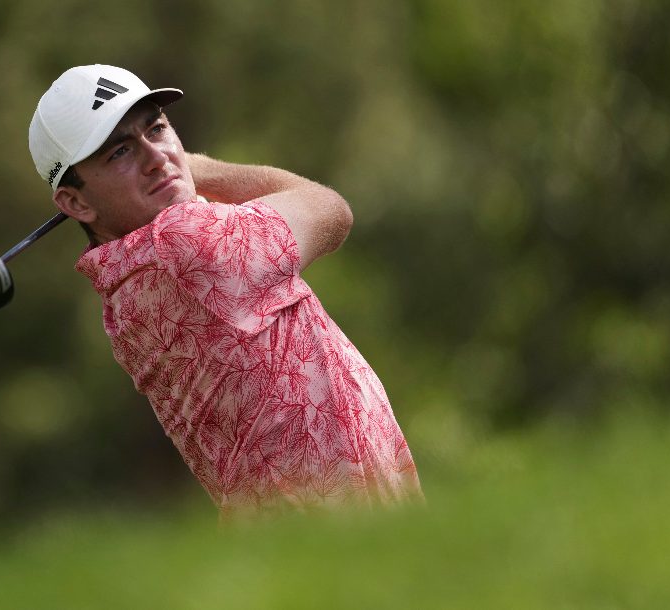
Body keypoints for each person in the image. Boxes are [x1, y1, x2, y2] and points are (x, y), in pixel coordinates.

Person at [28, 64, 422, 519]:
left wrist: (172, 177)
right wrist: (201, 168)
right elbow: (330, 209)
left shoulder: (121, 286)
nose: (156, 156)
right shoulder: (188, 242)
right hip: (330, 540)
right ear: (75, 202)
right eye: (119, 152)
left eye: (156, 128)